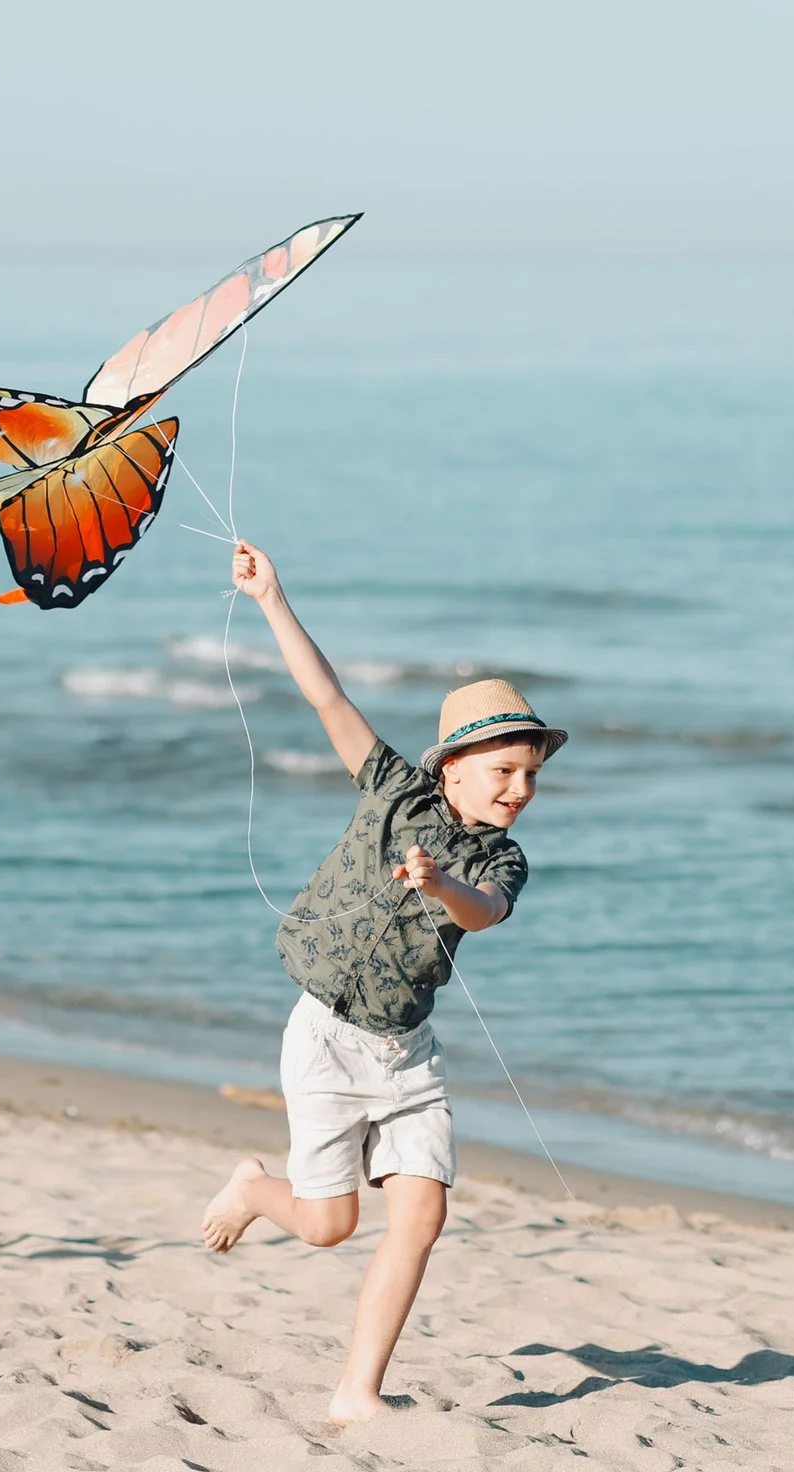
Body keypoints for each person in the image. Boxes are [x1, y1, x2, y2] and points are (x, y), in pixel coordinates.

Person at [198, 539, 564, 1426]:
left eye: (530, 776)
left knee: (422, 1218)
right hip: (325, 1036)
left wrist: (441, 885)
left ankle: (357, 1389)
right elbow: (327, 697)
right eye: (503, 772)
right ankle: (254, 1187)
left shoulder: (501, 857)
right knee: (329, 1227)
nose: (518, 790)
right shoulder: (395, 789)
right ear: (453, 767)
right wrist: (272, 599)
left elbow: (484, 910)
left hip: (407, 1054)